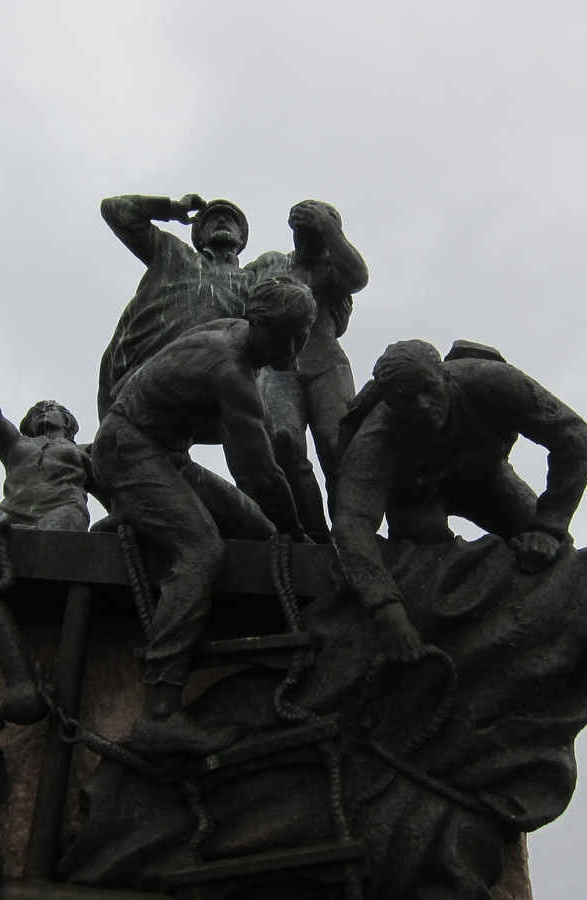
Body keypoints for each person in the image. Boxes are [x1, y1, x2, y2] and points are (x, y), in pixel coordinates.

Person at [91, 275, 316, 755]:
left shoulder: (233, 329)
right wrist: (300, 533)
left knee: (260, 532)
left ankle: (140, 513)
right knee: (202, 553)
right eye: (287, 337)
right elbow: (261, 476)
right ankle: (159, 712)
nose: (294, 349)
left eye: (302, 336)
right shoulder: (231, 370)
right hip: (128, 449)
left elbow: (148, 382)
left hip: (163, 451)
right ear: (259, 324)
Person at [332, 339, 587, 663]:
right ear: (390, 403)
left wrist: (550, 524)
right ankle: (452, 650)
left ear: (444, 375)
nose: (422, 405)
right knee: (426, 570)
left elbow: (575, 437)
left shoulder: (489, 382)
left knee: (549, 549)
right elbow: (352, 522)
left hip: (486, 478)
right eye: (406, 400)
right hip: (417, 500)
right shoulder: (376, 439)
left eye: (429, 389)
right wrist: (386, 609)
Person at [247, 200, 369, 541]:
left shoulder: (335, 266)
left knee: (337, 445)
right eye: (303, 232)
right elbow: (237, 291)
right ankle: (311, 529)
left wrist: (327, 225)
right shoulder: (272, 262)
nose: (308, 241)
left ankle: (350, 531)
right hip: (278, 366)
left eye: (317, 234)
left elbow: (359, 278)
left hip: (326, 364)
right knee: (283, 440)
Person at [97, 193, 253, 418]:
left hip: (211, 386)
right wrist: (171, 208)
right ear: (200, 236)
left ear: (241, 237)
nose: (221, 221)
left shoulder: (252, 281)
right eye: (211, 219)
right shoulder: (172, 251)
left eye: (230, 219)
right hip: (142, 373)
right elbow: (114, 209)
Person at [0, 287, 90, 531]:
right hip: (8, 512)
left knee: (52, 540)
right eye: (35, 411)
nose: (42, 411)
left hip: (65, 509)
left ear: (67, 421)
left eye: (50, 408)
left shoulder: (87, 451)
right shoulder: (14, 443)